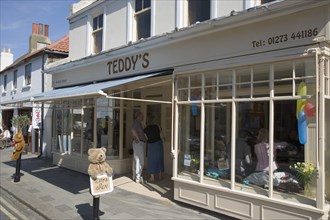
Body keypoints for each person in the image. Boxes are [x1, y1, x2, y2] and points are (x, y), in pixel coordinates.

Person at [144, 114, 164, 182]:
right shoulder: (157, 126)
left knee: (151, 160)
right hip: (158, 144)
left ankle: (152, 177)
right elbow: (161, 135)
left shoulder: (146, 129)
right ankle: (160, 175)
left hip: (151, 145)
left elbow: (146, 138)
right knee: (159, 159)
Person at [131, 111, 146, 183]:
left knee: (136, 159)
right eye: (142, 116)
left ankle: (135, 176)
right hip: (139, 143)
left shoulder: (138, 123)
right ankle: (138, 177)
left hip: (139, 143)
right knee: (140, 160)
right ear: (139, 116)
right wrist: (137, 138)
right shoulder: (136, 123)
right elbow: (133, 130)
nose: (143, 117)